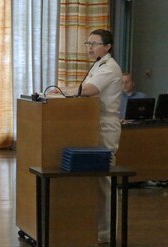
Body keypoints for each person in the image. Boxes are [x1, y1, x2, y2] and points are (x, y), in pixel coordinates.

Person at [80, 29, 122, 244]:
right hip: (93, 123)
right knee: (96, 181)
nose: (89, 47)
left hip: (105, 125)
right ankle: (97, 228)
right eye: (88, 43)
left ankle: (106, 233)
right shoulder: (98, 64)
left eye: (94, 43)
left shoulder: (109, 67)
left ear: (107, 47)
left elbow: (88, 90)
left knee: (104, 181)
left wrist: (68, 90)